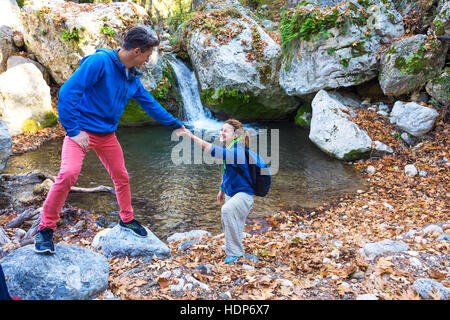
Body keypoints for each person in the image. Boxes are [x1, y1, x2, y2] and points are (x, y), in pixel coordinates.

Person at [34, 26, 185, 254]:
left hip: (107, 135)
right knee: (68, 174)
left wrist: (175, 123)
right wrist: (74, 130)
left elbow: (150, 104)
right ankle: (45, 229)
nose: (147, 60)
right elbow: (66, 93)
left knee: (122, 176)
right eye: (147, 55)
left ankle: (126, 219)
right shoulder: (99, 63)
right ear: (136, 51)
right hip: (81, 132)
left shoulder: (131, 77)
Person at [176, 119, 254, 264]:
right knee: (231, 223)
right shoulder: (228, 148)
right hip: (231, 193)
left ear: (236, 135)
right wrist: (221, 189)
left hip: (244, 195)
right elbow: (227, 173)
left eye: (226, 130)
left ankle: (235, 253)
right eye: (221, 129)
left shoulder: (238, 150)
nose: (222, 132)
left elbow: (212, 150)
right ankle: (237, 251)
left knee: (227, 211)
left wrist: (192, 136)